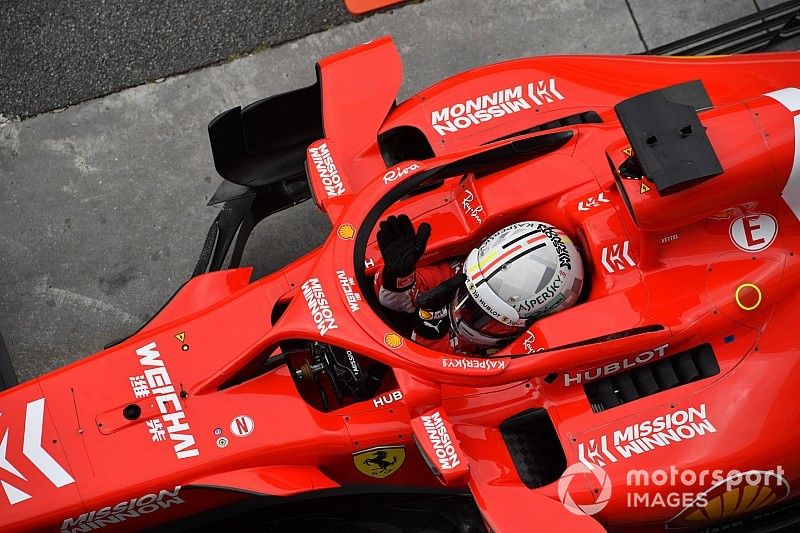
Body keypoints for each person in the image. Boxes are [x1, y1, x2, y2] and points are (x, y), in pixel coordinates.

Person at [375, 214, 584, 355]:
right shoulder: (466, 274)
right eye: (466, 295)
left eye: (484, 313)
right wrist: (398, 276)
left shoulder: (527, 353)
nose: (462, 310)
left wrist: (427, 334)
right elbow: (397, 301)